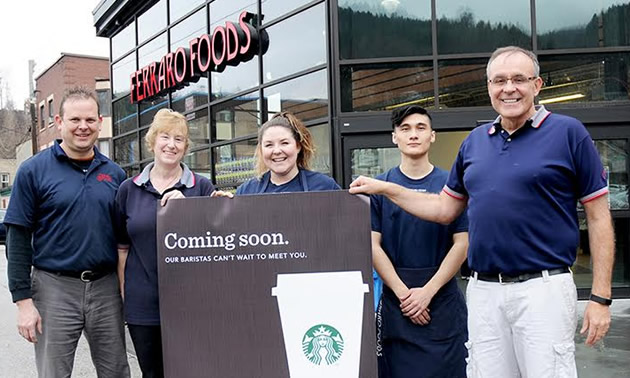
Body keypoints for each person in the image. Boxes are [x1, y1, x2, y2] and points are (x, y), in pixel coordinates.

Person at [350, 46, 615, 378]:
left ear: (538, 85)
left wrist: (601, 297)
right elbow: (444, 209)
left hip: (542, 290)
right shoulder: (475, 142)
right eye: (499, 80)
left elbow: (599, 216)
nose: (508, 88)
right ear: (489, 86)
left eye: (519, 79)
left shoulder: (568, 133)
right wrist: (386, 188)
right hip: (484, 293)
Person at [4, 87, 130, 377]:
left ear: (99, 121)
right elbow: (18, 238)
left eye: (89, 120)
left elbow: (128, 234)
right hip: (53, 289)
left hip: (105, 289)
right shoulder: (32, 171)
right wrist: (23, 302)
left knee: (116, 371)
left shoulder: (114, 174)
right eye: (75, 120)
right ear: (59, 122)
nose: (82, 127)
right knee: (54, 372)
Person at [115, 108, 215, 378]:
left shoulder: (202, 188)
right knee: (152, 374)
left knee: (191, 371)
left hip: (191, 302)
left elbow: (215, 243)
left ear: (186, 147)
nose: (171, 144)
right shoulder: (128, 189)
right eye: (165, 136)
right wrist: (126, 295)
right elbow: (122, 249)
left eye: (179, 139)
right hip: (143, 306)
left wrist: (189, 212)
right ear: (152, 141)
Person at [372, 105, 469, 378]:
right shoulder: (380, 187)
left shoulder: (453, 184)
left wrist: (427, 292)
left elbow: (463, 243)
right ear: (395, 137)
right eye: (405, 129)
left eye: (420, 128)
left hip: (442, 302)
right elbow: (372, 245)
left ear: (432, 136)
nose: (413, 135)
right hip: (396, 303)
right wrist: (405, 295)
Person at [235, 112, 339, 194]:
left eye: (284, 143)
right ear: (261, 150)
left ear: (298, 146)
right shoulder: (246, 192)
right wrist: (223, 206)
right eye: (269, 145)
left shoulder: (324, 186)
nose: (277, 151)